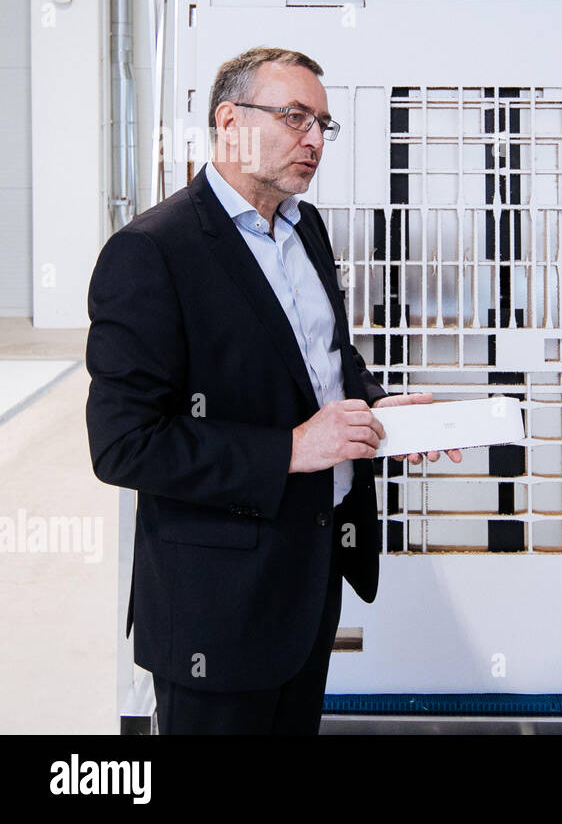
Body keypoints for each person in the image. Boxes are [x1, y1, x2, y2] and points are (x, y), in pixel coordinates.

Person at [85, 46, 460, 734]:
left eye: (322, 123)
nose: (314, 140)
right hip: (216, 603)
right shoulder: (152, 253)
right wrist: (289, 449)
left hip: (308, 572)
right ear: (230, 120)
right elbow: (124, 445)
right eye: (294, 117)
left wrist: (378, 413)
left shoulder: (303, 225)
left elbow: (324, 359)